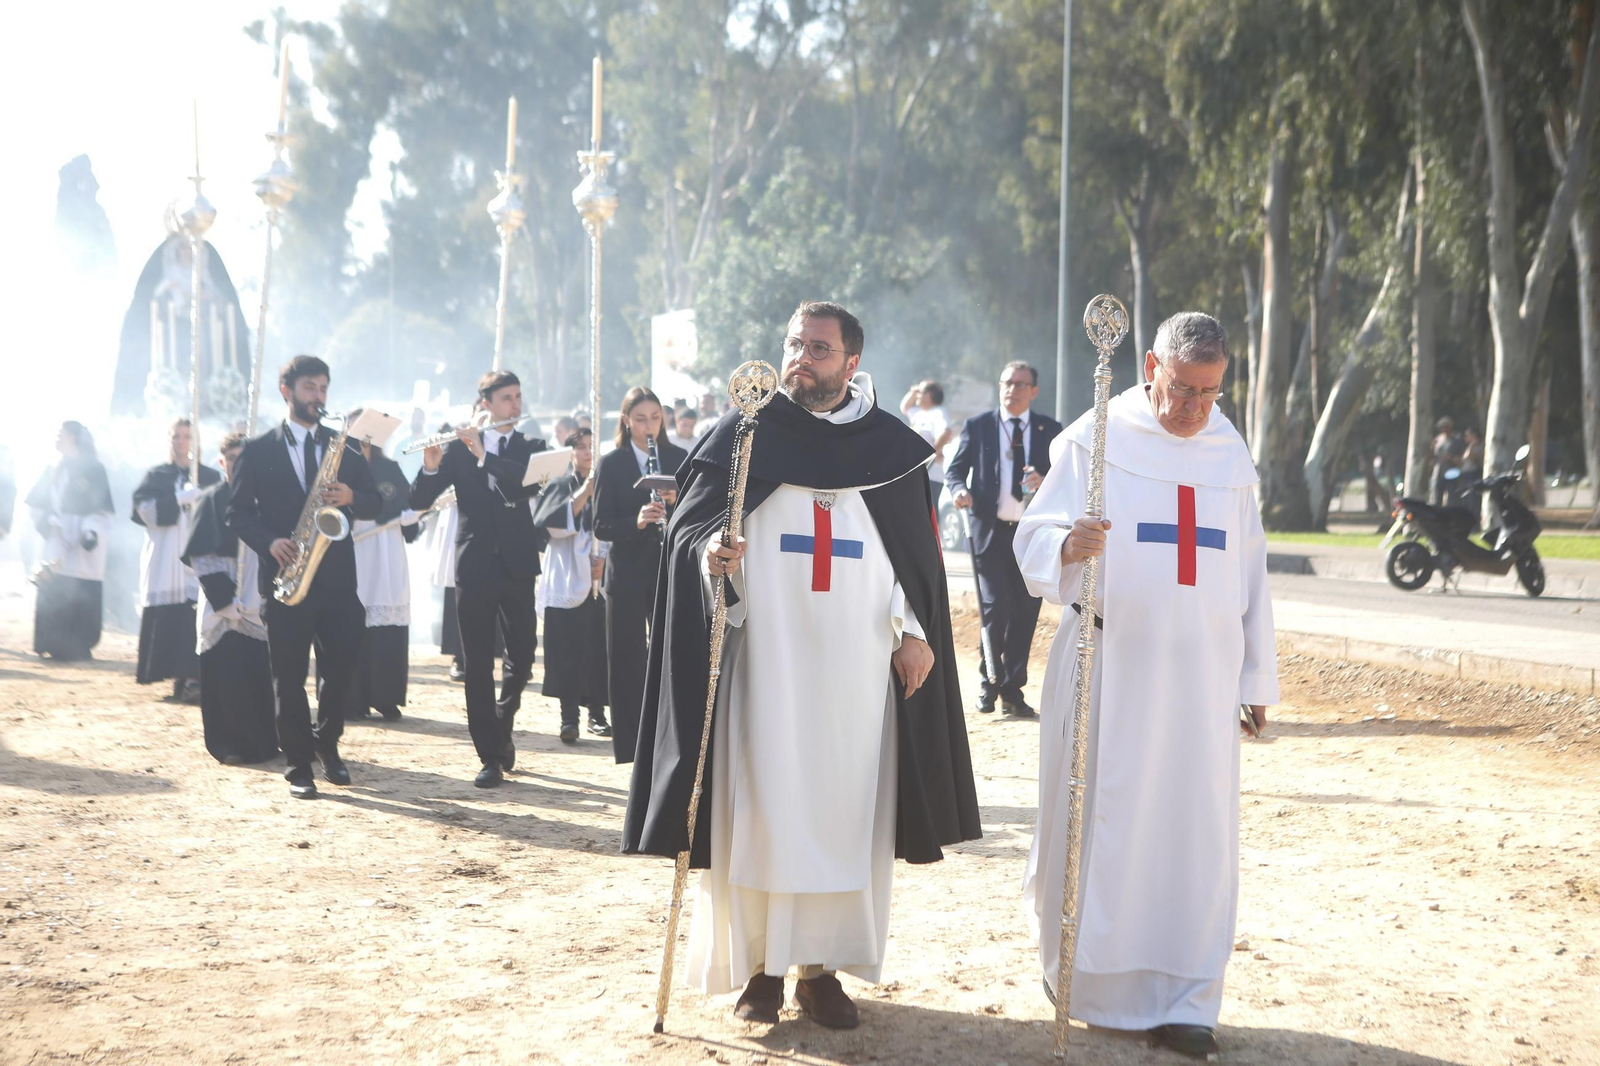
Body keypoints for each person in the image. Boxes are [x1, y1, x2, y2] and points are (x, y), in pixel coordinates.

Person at [623, 300, 982, 1030]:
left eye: (819, 349)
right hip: (767, 669)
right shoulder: (743, 437)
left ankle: (821, 973)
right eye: (795, 344)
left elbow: (916, 562)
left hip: (855, 681)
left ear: (851, 363)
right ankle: (760, 968)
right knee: (764, 811)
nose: (802, 358)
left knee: (846, 817)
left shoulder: (891, 450)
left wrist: (915, 632)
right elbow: (689, 536)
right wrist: (708, 560)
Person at [1013, 312, 1277, 1060]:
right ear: (1153, 367)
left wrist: (1256, 675)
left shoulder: (1229, 450)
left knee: (1196, 836)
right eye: (1184, 389)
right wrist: (1068, 543)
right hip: (1111, 666)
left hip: (1202, 682)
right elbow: (1032, 534)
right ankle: (1084, 978)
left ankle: (1190, 995)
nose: (1197, 408)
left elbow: (1249, 570)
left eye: (1211, 393)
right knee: (1101, 818)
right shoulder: (1095, 438)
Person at [227, 355, 381, 799]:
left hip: (336, 578)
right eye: (310, 388)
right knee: (289, 676)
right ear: (286, 391)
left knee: (340, 667)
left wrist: (353, 494)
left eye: (323, 389)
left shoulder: (345, 446)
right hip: (286, 576)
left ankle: (327, 744)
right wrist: (270, 541)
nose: (318, 397)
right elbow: (237, 513)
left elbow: (375, 502)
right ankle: (298, 763)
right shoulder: (256, 450)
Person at [412, 370, 549, 788]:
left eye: (518, 397)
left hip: (518, 562)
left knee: (523, 653)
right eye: (507, 398)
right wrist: (431, 467)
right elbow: (418, 501)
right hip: (473, 565)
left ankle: (502, 722)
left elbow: (522, 483)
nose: (515, 405)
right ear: (485, 404)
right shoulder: (457, 447)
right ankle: (488, 754)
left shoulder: (530, 445)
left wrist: (483, 454)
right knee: (475, 662)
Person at [945, 361, 1064, 716]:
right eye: (1007, 383)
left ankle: (1013, 690)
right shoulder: (978, 426)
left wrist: (1044, 481)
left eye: (1020, 384)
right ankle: (988, 683)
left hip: (1031, 536)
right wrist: (958, 490)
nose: (1012, 389)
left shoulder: (1049, 430)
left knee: (1026, 611)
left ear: (1034, 391)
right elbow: (954, 470)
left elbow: (1064, 478)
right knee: (996, 607)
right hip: (990, 532)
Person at [594, 386, 687, 764]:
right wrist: (636, 522)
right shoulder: (611, 463)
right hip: (626, 573)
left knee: (669, 655)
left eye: (655, 418)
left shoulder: (679, 457)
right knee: (627, 658)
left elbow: (699, 517)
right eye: (640, 419)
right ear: (625, 421)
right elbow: (600, 525)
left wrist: (676, 503)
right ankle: (631, 747)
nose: (649, 427)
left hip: (668, 568)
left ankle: (666, 740)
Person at [181, 432, 278, 765]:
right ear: (221, 463)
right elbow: (201, 557)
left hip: (255, 593)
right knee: (225, 673)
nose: (238, 464)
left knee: (256, 673)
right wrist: (223, 600)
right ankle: (229, 744)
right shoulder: (210, 499)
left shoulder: (263, 499)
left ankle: (263, 742)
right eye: (231, 459)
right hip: (220, 595)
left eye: (243, 457)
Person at [131, 418, 220, 702]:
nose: (181, 441)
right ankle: (175, 676)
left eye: (187, 436)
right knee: (173, 614)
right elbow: (145, 512)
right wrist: (180, 498)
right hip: (167, 554)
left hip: (198, 552)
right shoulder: (157, 475)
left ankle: (194, 678)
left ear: (196, 442)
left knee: (194, 612)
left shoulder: (210, 475)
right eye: (177, 436)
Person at [533, 427, 609, 743]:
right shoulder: (562, 484)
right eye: (580, 447)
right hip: (567, 575)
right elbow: (550, 526)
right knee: (568, 652)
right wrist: (585, 492)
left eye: (592, 446)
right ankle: (569, 718)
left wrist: (604, 558)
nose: (587, 452)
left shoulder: (607, 485)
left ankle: (597, 713)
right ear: (570, 453)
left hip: (599, 576)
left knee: (598, 650)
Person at [345, 414, 421, 721]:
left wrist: (410, 518)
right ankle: (354, 698)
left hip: (387, 554)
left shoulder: (389, 468)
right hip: (354, 547)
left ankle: (386, 697)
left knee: (387, 622)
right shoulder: (340, 469)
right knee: (352, 621)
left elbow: (407, 508)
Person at [26, 421, 113, 661]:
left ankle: (79, 643)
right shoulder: (52, 466)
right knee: (54, 583)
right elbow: (36, 503)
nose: (56, 438)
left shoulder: (94, 468)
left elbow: (102, 508)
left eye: (60, 434)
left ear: (73, 437)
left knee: (82, 584)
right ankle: (51, 641)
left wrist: (89, 531)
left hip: (85, 533)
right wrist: (49, 524)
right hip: (57, 532)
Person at [900, 380, 954, 503]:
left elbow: (946, 432)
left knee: (928, 515)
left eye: (921, 392)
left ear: (929, 395)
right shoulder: (920, 413)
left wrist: (931, 454)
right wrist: (914, 391)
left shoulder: (938, 412)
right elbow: (904, 407)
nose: (918, 395)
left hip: (931, 475)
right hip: (918, 474)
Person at [1430, 416, 1463, 506]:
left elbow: (1461, 456)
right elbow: (1433, 455)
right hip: (1439, 472)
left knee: (1452, 497)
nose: (1444, 429)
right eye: (1442, 427)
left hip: (1452, 471)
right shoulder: (1437, 440)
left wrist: (1452, 458)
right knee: (1437, 497)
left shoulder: (1456, 440)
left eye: (1446, 426)